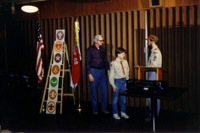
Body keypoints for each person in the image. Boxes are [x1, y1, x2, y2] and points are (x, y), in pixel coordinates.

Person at [85, 34, 110, 115]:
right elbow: (87, 63)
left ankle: (104, 108)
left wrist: (108, 70)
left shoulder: (103, 49)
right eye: (100, 40)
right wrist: (89, 74)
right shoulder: (89, 50)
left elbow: (105, 61)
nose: (102, 42)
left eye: (102, 40)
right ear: (95, 41)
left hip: (103, 72)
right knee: (94, 92)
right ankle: (95, 109)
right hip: (93, 71)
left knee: (104, 91)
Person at [109, 47, 130, 120]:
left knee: (123, 99)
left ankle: (123, 112)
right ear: (118, 54)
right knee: (115, 99)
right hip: (117, 81)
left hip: (123, 81)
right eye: (123, 53)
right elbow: (111, 75)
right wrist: (113, 85)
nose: (124, 55)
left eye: (124, 53)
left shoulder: (125, 61)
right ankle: (115, 113)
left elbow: (127, 72)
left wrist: (127, 82)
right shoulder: (113, 62)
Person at [146, 34, 162, 117]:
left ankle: (154, 114)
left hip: (154, 74)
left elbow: (154, 65)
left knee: (152, 94)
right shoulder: (153, 51)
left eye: (148, 40)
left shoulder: (156, 52)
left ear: (152, 41)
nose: (147, 42)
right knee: (152, 95)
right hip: (152, 74)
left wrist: (145, 67)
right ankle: (154, 113)